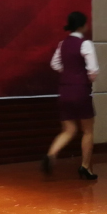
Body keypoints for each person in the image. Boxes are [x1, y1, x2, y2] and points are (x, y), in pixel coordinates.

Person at [42, 11, 100, 180]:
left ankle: (51, 154)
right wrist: (84, 77)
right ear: (82, 25)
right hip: (81, 91)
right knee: (87, 131)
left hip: (64, 91)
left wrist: (68, 73)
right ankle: (85, 167)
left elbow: (54, 64)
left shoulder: (63, 44)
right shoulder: (85, 44)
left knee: (69, 129)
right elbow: (93, 70)